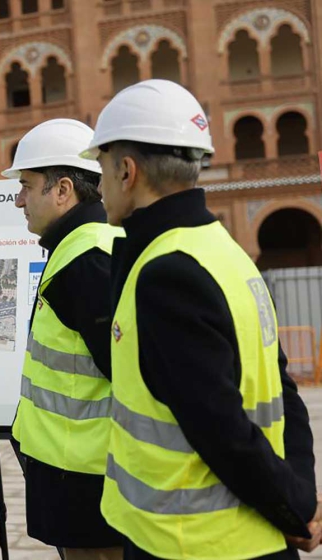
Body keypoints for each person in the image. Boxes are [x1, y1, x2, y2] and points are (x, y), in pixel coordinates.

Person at [81, 79, 320, 559]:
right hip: (245, 535)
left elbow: (222, 431)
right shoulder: (224, 251)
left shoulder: (166, 274)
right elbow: (282, 390)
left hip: (193, 543)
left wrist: (295, 511)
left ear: (127, 171)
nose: (100, 185)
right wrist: (301, 498)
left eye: (102, 169)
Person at [7, 119, 124, 559]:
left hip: (86, 480)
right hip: (75, 472)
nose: (18, 199)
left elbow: (131, 375)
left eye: (26, 185)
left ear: (63, 190)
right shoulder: (87, 246)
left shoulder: (85, 260)